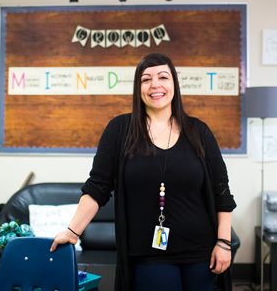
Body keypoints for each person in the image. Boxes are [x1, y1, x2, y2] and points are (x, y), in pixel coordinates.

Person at [51, 53, 236, 291]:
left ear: (174, 85)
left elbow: (221, 191)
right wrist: (72, 231)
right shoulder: (120, 130)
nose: (155, 85)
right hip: (148, 254)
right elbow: (97, 188)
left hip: (202, 252)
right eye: (146, 79)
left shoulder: (199, 132)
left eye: (163, 77)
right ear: (138, 88)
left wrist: (223, 242)